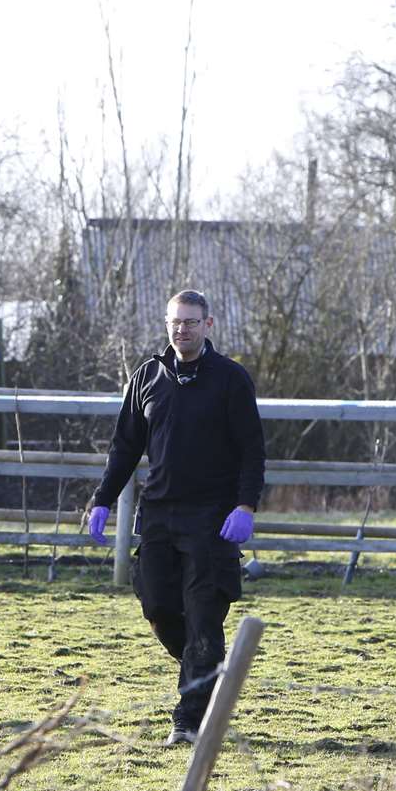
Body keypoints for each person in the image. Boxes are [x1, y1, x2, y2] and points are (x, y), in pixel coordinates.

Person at [86, 290, 266, 746]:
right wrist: (103, 499)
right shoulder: (148, 376)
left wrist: (245, 506)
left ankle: (188, 721)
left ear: (208, 325)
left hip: (212, 519)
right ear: (166, 324)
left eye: (190, 321)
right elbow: (125, 446)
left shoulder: (230, 380)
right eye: (174, 321)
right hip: (159, 515)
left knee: (205, 617)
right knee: (159, 607)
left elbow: (252, 450)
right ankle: (210, 670)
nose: (181, 329)